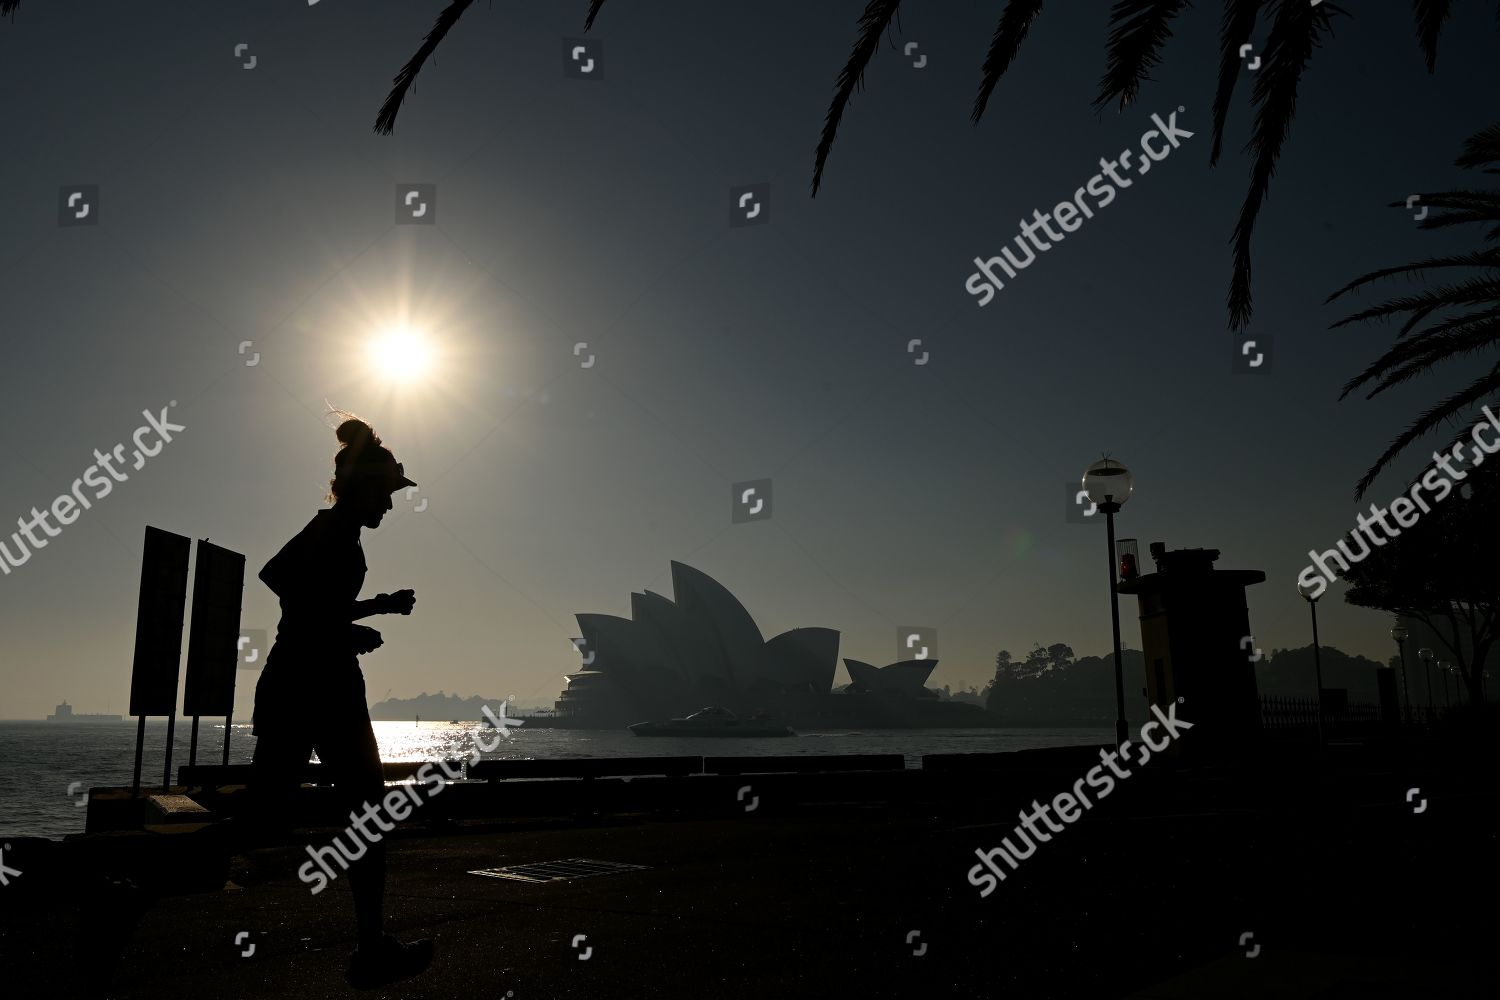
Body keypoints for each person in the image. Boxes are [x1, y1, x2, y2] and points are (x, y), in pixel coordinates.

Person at [250, 414, 433, 990]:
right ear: (365, 489)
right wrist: (345, 630)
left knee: (267, 816)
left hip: (299, 681)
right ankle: (371, 949)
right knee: (368, 817)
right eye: (387, 494)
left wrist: (371, 607)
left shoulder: (335, 529)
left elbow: (296, 592)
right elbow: (286, 587)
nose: (390, 506)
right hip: (320, 685)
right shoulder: (334, 531)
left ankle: (134, 885)